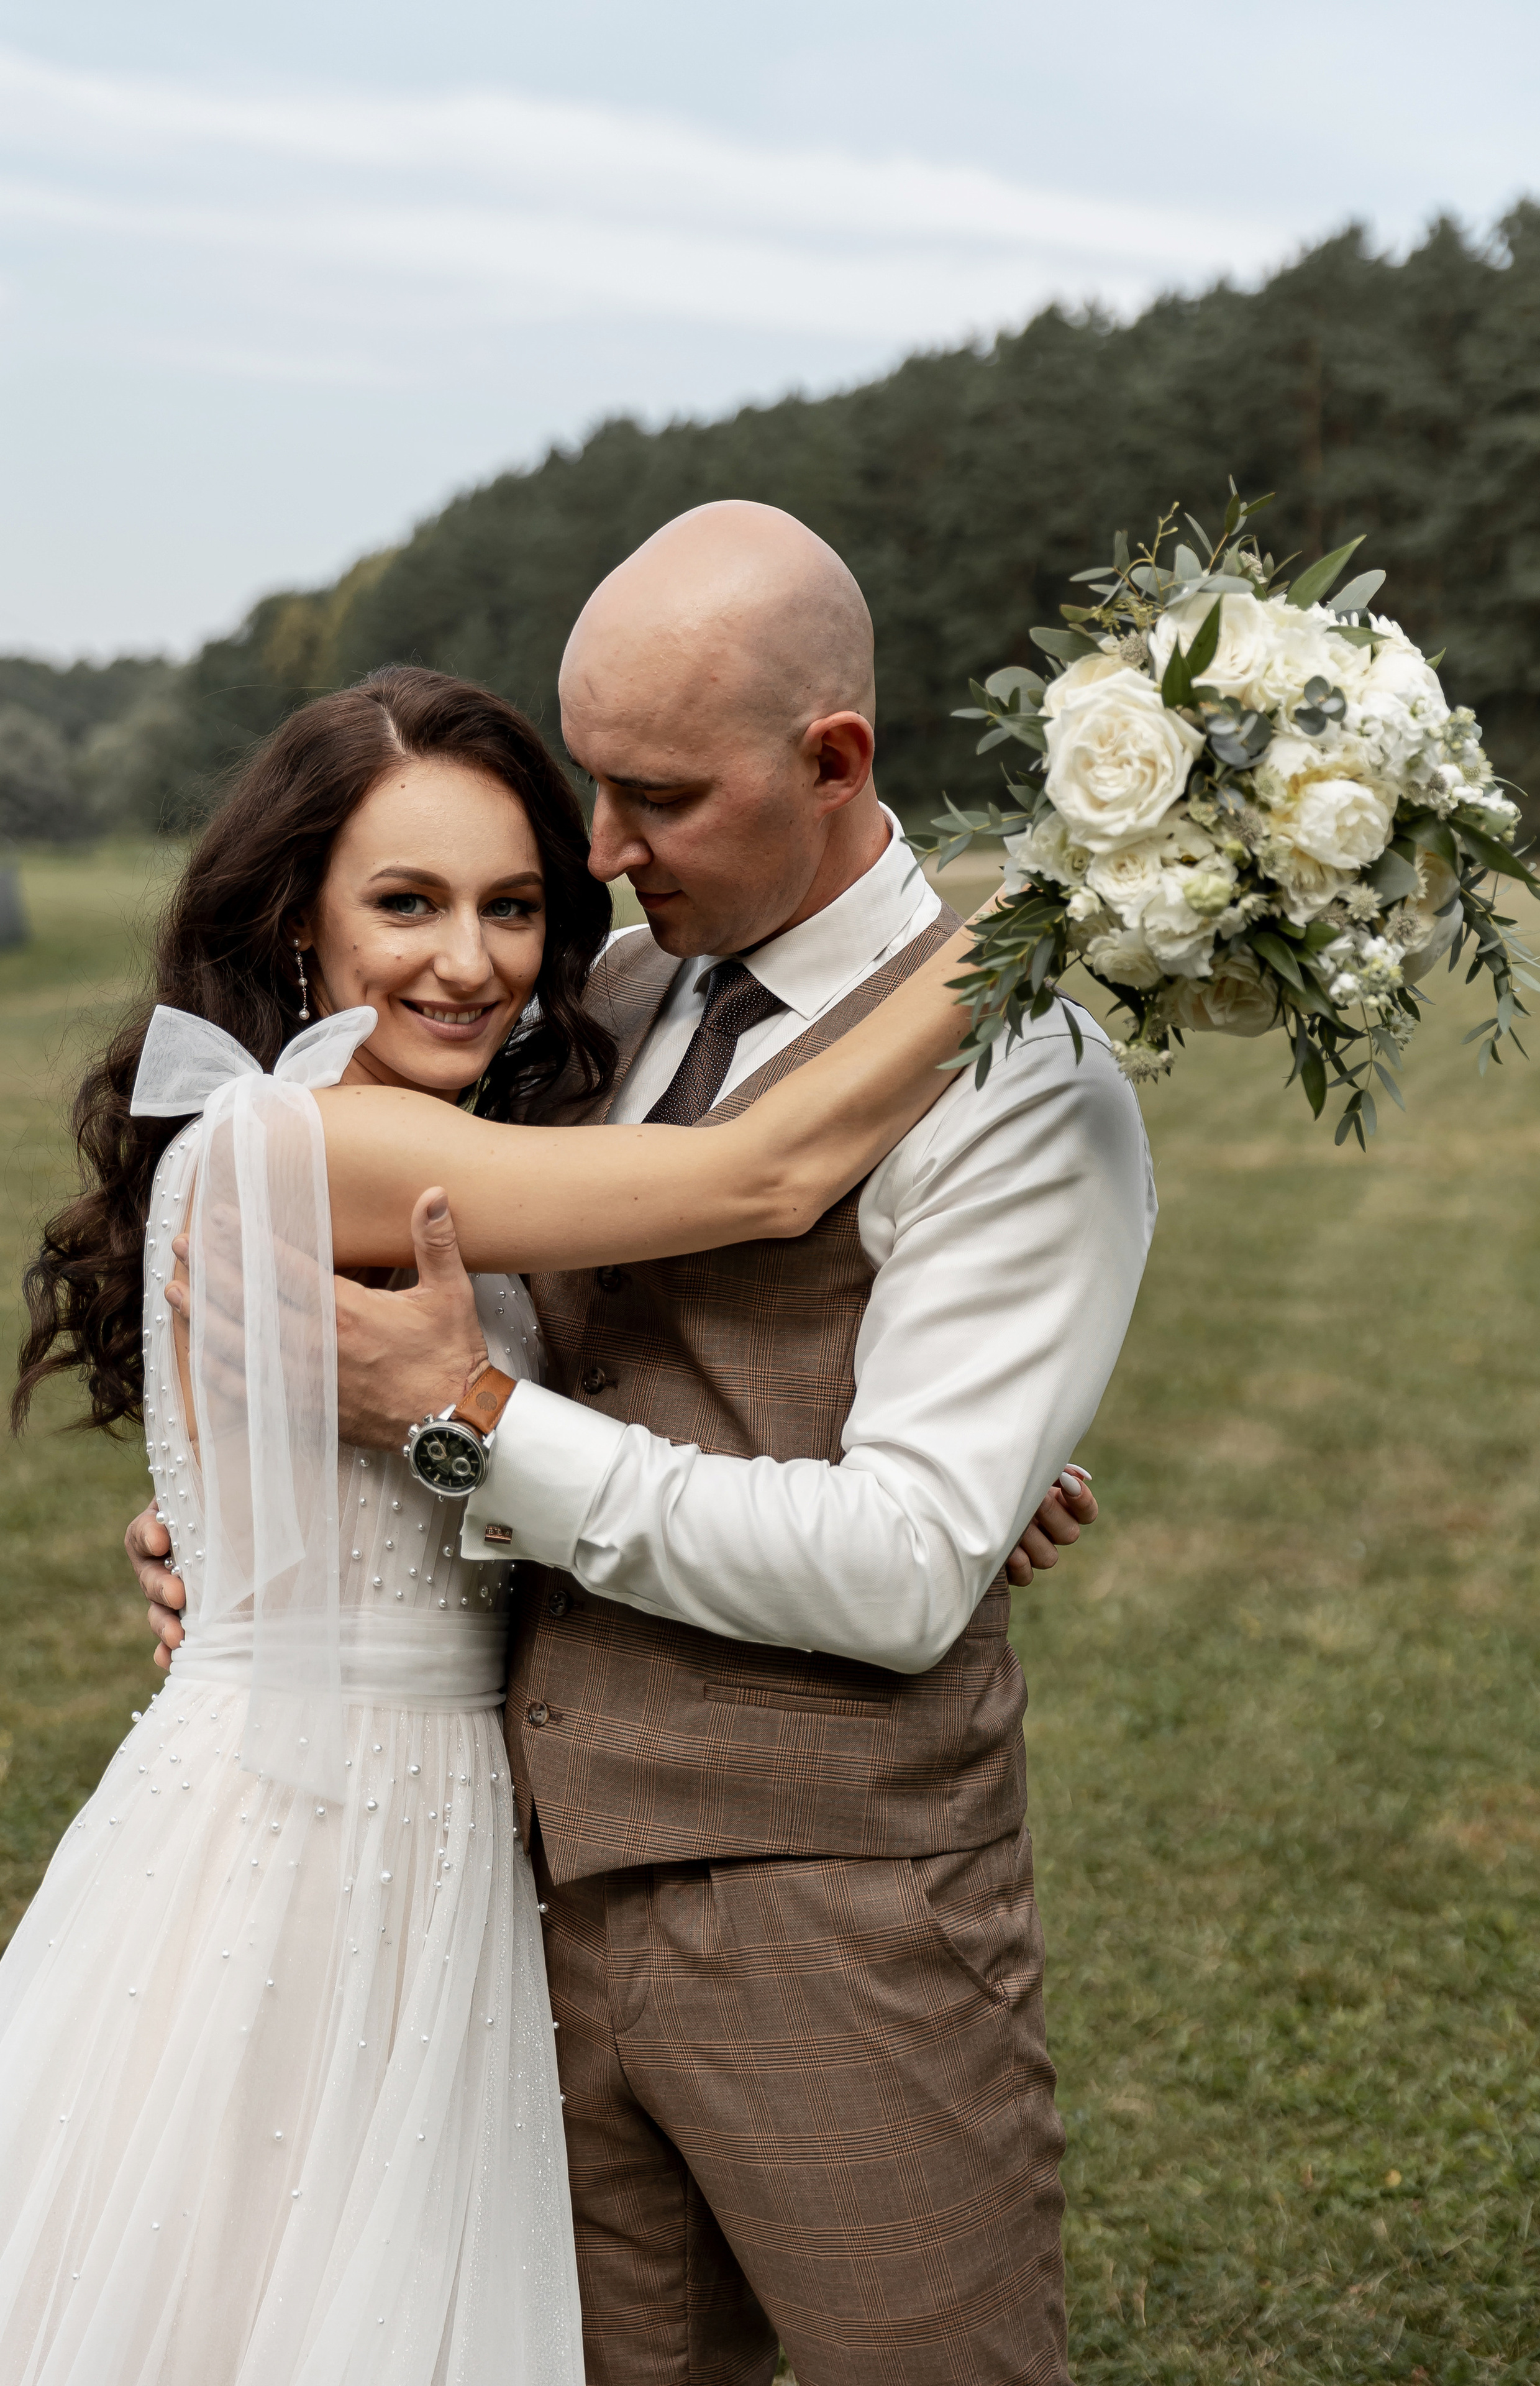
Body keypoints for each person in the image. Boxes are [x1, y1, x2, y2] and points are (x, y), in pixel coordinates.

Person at [137, 503, 1157, 2384]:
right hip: (497, 1897)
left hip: (828, 1915)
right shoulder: (606, 1004)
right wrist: (261, 1524)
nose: (596, 859)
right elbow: (680, 1221)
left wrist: (466, 1433)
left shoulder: (1021, 1076)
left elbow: (892, 1561)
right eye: (583, 791)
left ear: (832, 758)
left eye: (655, 797)